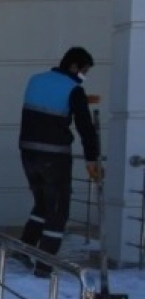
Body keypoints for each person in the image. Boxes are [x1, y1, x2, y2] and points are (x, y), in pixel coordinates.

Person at [17, 46, 102, 277]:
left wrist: (82, 99)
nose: (83, 76)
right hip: (54, 158)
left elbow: (49, 106)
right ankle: (44, 266)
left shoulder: (36, 80)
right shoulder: (73, 90)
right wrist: (92, 159)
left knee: (43, 204)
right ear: (74, 66)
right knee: (58, 212)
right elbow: (85, 127)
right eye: (84, 71)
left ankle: (23, 249)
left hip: (28, 154)